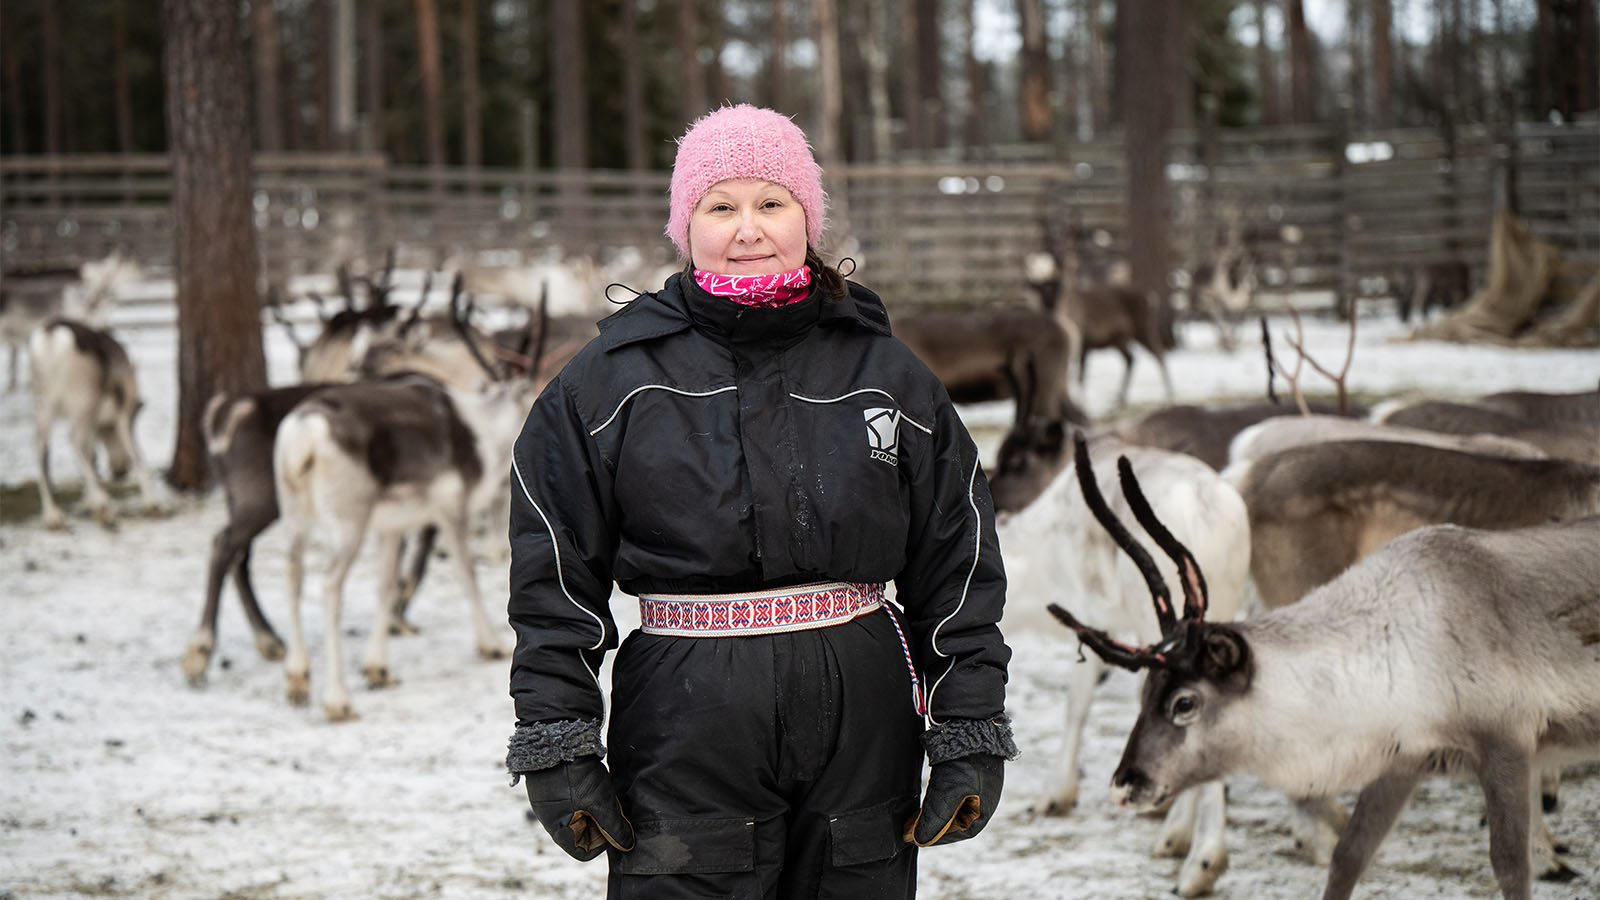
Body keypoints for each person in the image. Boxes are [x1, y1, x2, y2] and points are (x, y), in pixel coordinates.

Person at [504, 103, 1017, 899]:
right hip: (685, 718)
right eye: (721, 206)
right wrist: (558, 737)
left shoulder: (886, 372)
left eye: (771, 202)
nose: (748, 229)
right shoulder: (609, 384)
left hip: (864, 717)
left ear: (807, 218)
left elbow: (957, 558)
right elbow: (553, 576)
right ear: (686, 225)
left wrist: (967, 728)